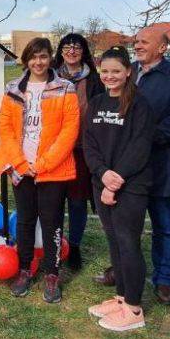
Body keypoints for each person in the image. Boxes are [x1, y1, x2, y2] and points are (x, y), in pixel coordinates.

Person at [103, 26, 170, 306]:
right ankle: (122, 271)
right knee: (122, 225)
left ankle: (164, 279)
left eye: (144, 42)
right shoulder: (127, 74)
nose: (138, 45)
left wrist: (137, 140)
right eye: (136, 41)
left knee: (162, 224)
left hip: (157, 165)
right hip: (120, 167)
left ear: (163, 48)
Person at [0, 37, 79, 304]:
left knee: (52, 222)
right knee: (25, 221)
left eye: (43, 56)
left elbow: (69, 130)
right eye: (33, 57)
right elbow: (4, 127)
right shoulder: (13, 88)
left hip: (53, 170)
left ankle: (52, 274)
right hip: (21, 168)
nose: (38, 62)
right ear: (25, 60)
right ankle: (25, 269)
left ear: (51, 58)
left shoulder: (65, 88)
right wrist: (19, 162)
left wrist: (43, 164)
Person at [83, 47, 154, 332]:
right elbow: (89, 144)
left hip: (130, 186)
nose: (110, 76)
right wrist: (102, 175)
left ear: (128, 72)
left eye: (116, 71)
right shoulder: (97, 102)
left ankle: (134, 309)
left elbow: (140, 146)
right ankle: (122, 297)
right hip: (102, 183)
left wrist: (117, 179)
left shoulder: (140, 104)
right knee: (113, 241)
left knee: (128, 242)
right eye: (105, 71)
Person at [53, 33, 104, 270]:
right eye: (67, 47)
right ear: (60, 51)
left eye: (77, 47)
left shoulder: (94, 80)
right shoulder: (51, 76)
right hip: (53, 149)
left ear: (84, 52)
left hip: (82, 149)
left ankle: (73, 245)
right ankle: (54, 245)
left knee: (76, 201)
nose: (72, 51)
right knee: (53, 200)